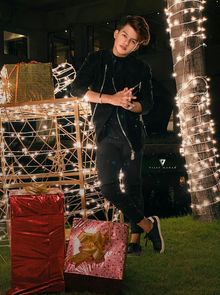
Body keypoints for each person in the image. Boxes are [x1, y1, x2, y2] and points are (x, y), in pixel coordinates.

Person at [71, 15, 165, 254]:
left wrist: (132, 105)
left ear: (137, 46)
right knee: (108, 187)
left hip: (132, 135)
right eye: (124, 35)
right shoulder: (96, 59)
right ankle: (148, 225)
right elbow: (77, 89)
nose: (126, 43)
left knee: (133, 186)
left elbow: (149, 103)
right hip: (105, 134)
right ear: (116, 33)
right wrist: (111, 99)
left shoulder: (141, 68)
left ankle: (134, 240)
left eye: (133, 41)